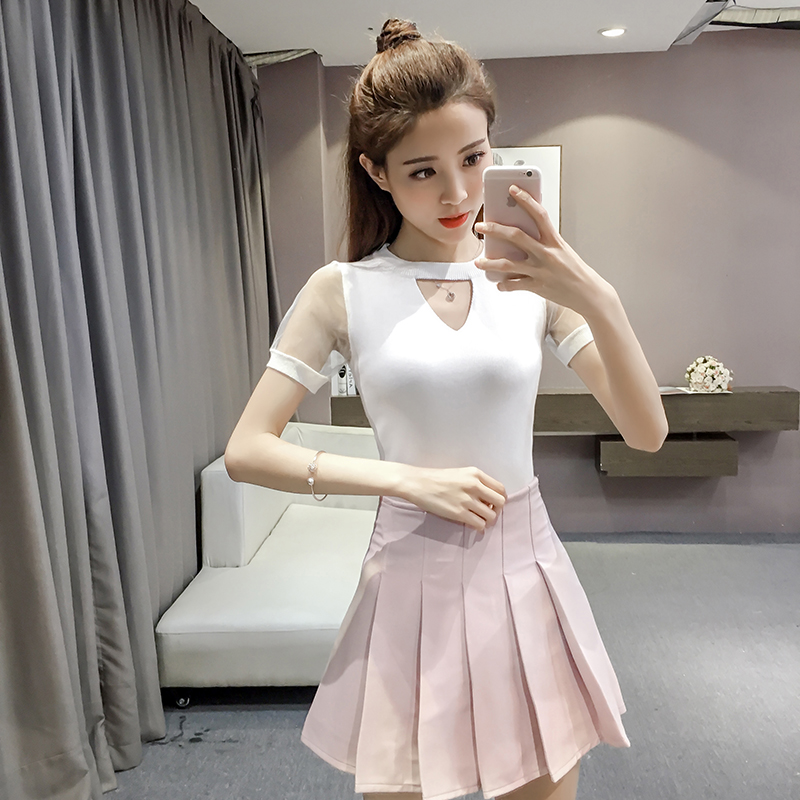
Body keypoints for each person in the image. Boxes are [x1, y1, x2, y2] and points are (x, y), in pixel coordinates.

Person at [225, 18, 668, 800]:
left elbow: (647, 432)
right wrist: (403, 480)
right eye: (423, 170)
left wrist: (598, 297)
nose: (457, 193)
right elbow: (248, 449)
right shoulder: (341, 290)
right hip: (407, 572)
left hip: (524, 570)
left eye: (473, 158)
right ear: (376, 171)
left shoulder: (529, 282)